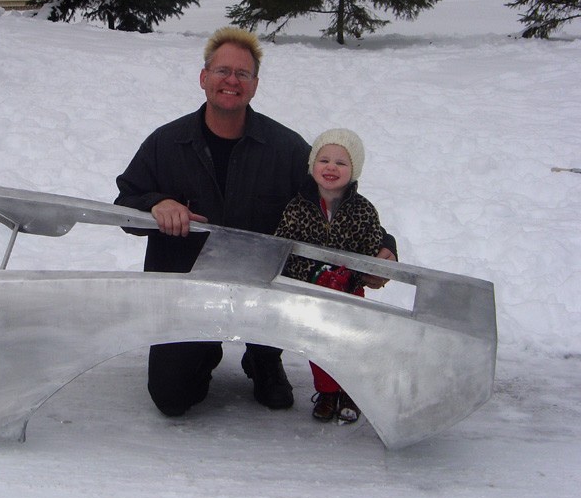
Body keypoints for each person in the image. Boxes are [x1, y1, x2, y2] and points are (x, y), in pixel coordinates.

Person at [115, 27, 396, 418]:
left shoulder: (285, 149)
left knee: (275, 393)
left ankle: (263, 355)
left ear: (255, 85)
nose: (231, 80)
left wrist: (382, 246)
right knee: (172, 399)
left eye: (242, 73)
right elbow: (125, 202)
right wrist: (156, 203)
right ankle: (204, 346)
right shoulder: (167, 143)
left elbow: (334, 202)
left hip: (266, 296)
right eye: (222, 71)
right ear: (204, 77)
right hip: (189, 296)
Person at [274, 128, 390, 424]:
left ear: (354, 170)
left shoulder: (363, 211)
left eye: (341, 163)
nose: (331, 168)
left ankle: (350, 392)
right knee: (319, 344)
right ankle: (326, 393)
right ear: (313, 165)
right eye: (324, 160)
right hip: (312, 291)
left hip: (349, 292)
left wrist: (361, 275)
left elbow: (371, 248)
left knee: (350, 343)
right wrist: (300, 276)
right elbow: (283, 245)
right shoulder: (298, 206)